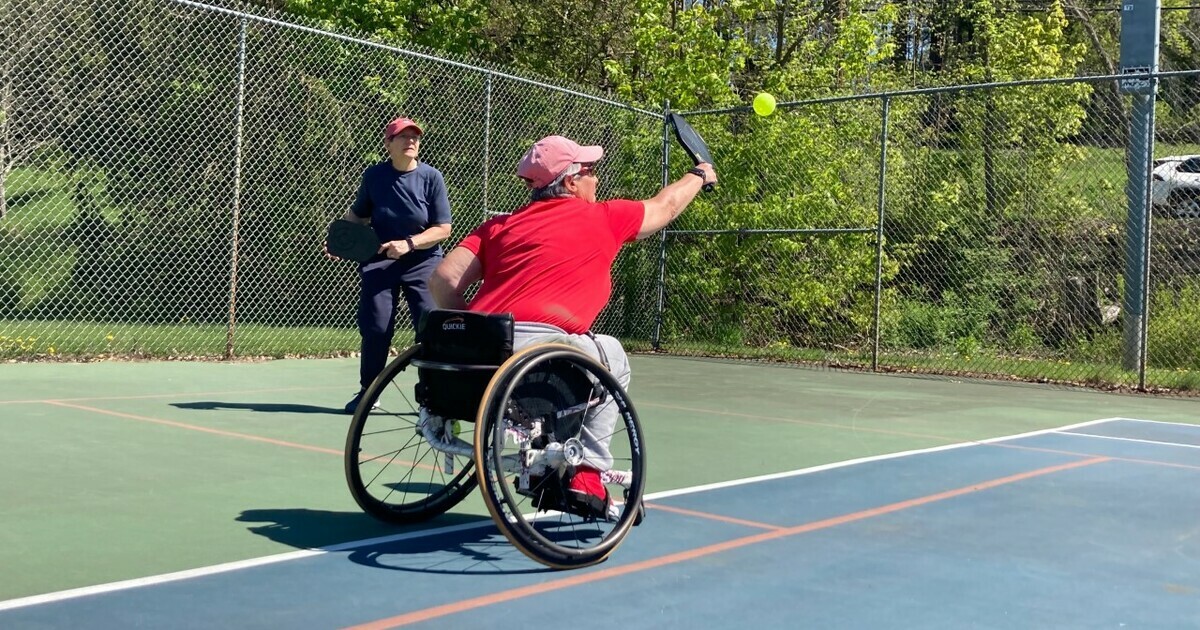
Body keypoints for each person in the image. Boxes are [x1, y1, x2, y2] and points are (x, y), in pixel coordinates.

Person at [429, 134, 715, 515]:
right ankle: (586, 473)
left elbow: (442, 280)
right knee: (612, 355)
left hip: (475, 364)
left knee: (580, 354)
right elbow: (666, 206)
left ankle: (552, 466)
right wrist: (699, 174)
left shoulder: (497, 227)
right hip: (539, 358)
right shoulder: (604, 217)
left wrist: (473, 336)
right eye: (591, 171)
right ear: (570, 181)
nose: (597, 178)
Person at [336, 116, 453, 413]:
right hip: (380, 261)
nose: (411, 141)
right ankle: (369, 392)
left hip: (423, 261)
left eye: (415, 137)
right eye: (403, 136)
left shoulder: (432, 177)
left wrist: (410, 244)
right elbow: (359, 215)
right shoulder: (374, 176)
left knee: (429, 328)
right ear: (388, 144)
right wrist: (341, 239)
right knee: (375, 326)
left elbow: (443, 229)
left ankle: (433, 397)